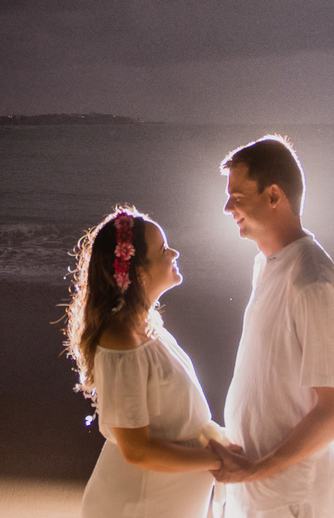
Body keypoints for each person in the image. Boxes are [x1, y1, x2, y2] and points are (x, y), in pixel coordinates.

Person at [210, 136, 334, 518]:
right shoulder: (267, 265)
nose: (228, 207)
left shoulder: (314, 282)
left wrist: (260, 468)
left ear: (274, 195)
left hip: (291, 497)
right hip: (257, 490)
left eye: (238, 196)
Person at [65, 207, 222, 518]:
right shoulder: (121, 340)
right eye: (163, 249)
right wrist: (216, 461)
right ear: (138, 272)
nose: (174, 252)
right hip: (138, 506)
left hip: (162, 502)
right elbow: (136, 449)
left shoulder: (148, 327)